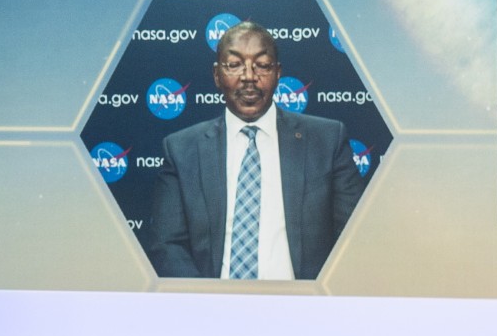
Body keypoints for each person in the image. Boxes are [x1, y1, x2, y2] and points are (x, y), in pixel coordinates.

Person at [142, 22, 365, 281]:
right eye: (234, 65)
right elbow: (167, 245)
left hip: (302, 308)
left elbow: (355, 237)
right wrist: (206, 304)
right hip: (212, 308)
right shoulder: (181, 149)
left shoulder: (326, 140)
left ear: (278, 73)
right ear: (217, 75)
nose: (249, 76)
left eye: (262, 65)